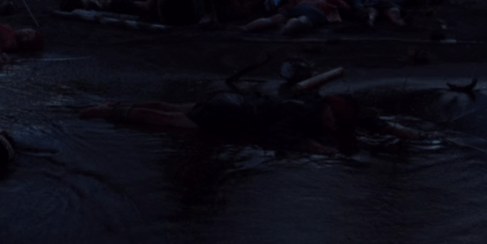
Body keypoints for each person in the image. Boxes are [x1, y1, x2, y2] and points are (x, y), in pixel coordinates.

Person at [79, 89, 423, 155]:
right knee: (168, 119)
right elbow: (275, 134)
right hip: (232, 113)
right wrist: (308, 145)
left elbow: (359, 115)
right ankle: (108, 111)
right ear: (327, 113)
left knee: (174, 106)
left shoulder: (320, 104)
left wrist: (392, 129)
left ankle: (117, 104)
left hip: (234, 99)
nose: (335, 125)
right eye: (334, 120)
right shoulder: (305, 114)